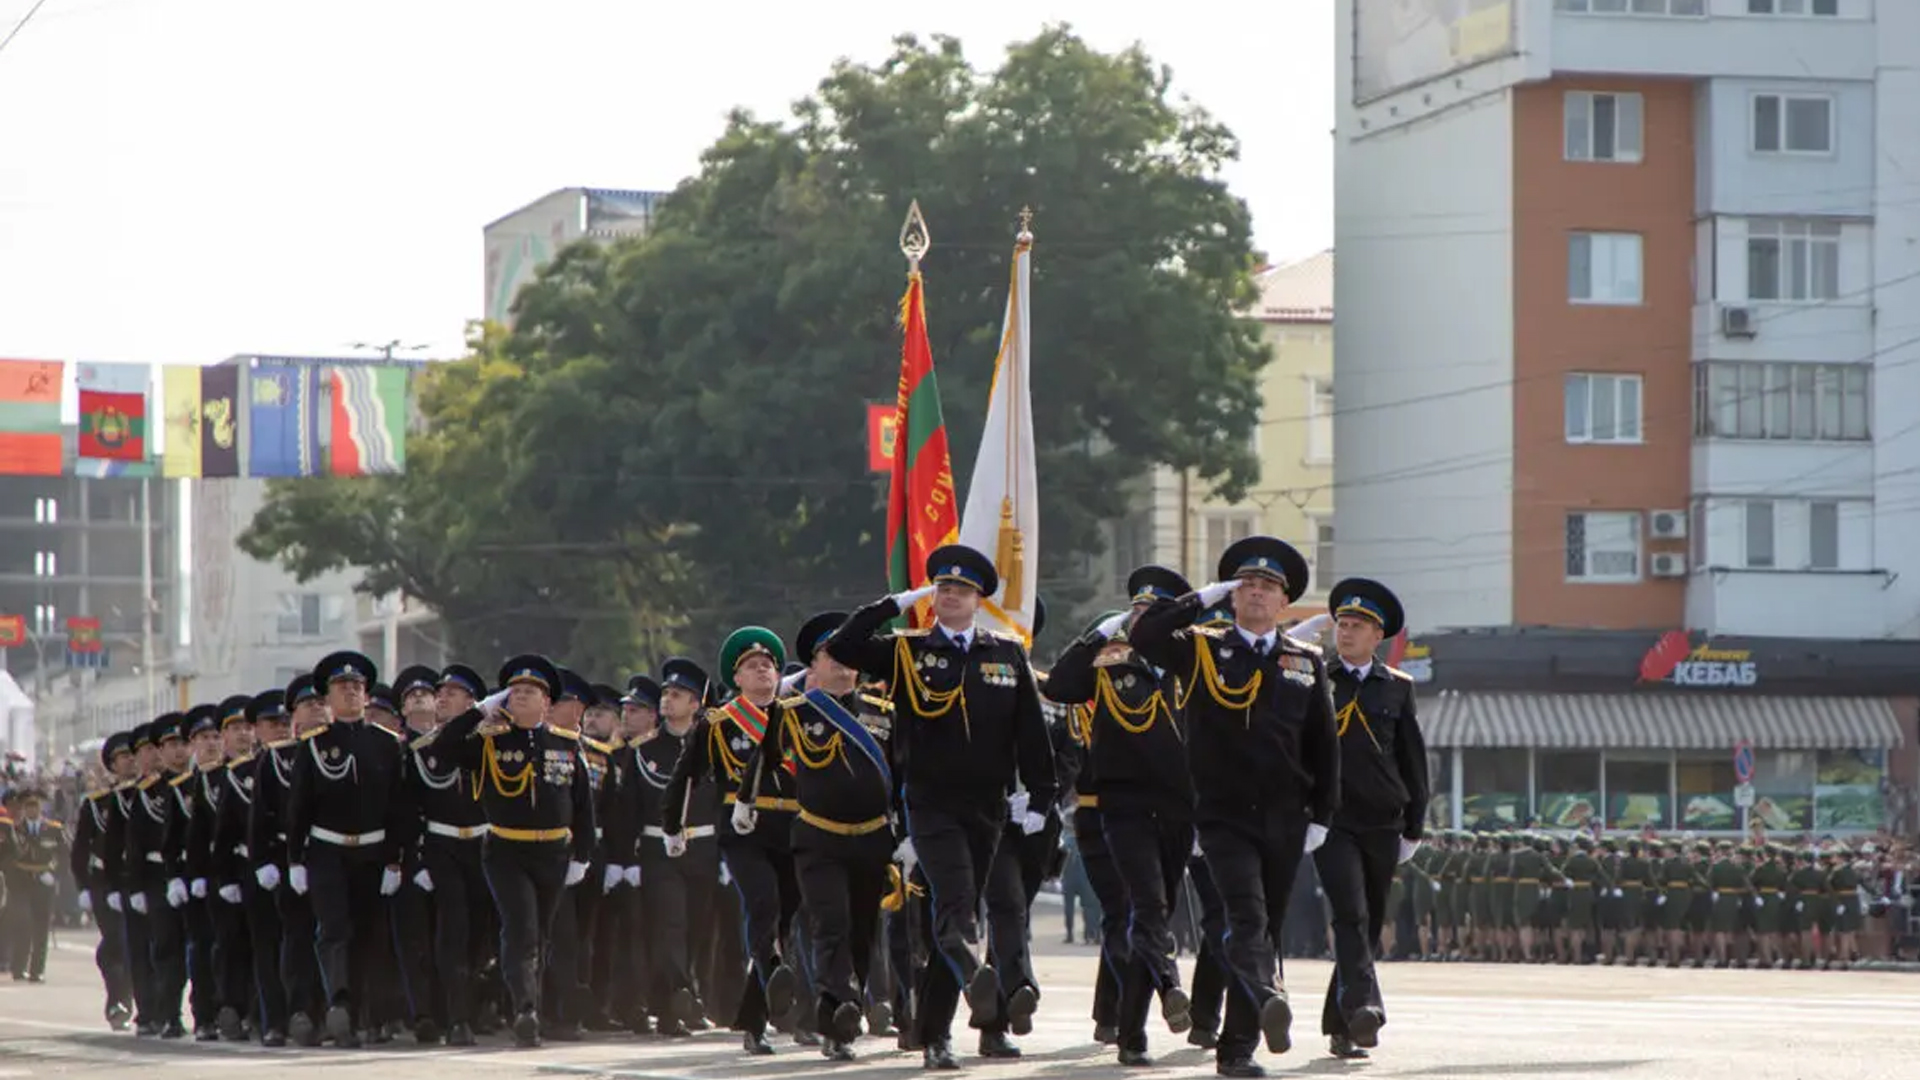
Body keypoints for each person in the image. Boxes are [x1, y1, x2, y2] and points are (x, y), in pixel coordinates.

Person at [823, 543, 1057, 1070]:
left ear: (978, 599)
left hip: (988, 806)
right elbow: (844, 644)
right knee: (955, 905)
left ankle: (934, 1036)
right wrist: (893, 602)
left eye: (961, 590)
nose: (951, 596)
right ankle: (977, 977)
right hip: (930, 805)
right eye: (942, 588)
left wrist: (1041, 794)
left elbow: (1030, 732)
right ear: (932, 598)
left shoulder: (1005, 652)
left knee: (954, 918)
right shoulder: (907, 650)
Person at [1127, 535, 1340, 1079]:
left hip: (1286, 815)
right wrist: (1201, 597)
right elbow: (1146, 634)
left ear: (1284, 603)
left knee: (1265, 926)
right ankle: (1269, 992)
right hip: (1223, 814)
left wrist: (1322, 814)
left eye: (1268, 587)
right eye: (1246, 585)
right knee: (1245, 916)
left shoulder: (1304, 661)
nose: (1256, 594)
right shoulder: (1200, 647)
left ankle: (1238, 1047)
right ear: (1232, 594)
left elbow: (1323, 744)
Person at [1048, 563, 1200, 1067]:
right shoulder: (1108, 665)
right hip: (1123, 807)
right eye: (1134, 609)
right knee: (1144, 907)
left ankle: (1131, 1027)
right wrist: (1097, 635)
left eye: (1151, 611)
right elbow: (1061, 686)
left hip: (1180, 809)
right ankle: (1164, 995)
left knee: (1148, 917)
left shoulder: (1193, 663)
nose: (1139, 618)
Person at [736, 610, 898, 1062]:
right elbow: (762, 761)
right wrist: (746, 807)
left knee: (865, 931)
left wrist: (904, 831)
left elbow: (902, 776)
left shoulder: (883, 714)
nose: (844, 666)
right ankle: (834, 1014)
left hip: (872, 837)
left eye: (850, 658)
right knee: (831, 925)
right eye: (833, 657)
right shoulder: (791, 714)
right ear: (814, 664)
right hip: (818, 838)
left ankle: (848, 1007)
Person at [432, 654, 597, 1047]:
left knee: (540, 936)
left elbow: (582, 805)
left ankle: (528, 1006)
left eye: (531, 692)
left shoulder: (566, 743)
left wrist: (583, 855)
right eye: (515, 691)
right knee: (522, 929)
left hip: (554, 853)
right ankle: (526, 1010)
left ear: (547, 703)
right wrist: (479, 711)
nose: (521, 696)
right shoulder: (490, 741)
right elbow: (444, 747)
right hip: (507, 850)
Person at [1296, 577, 1426, 1060]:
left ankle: (1341, 1023)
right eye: (1342, 624)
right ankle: (1366, 1007)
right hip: (1331, 820)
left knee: (1368, 922)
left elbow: (1413, 762)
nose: (1346, 633)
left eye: (1357, 626)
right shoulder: (1313, 680)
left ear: (1379, 636)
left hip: (1382, 819)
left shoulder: (1397, 688)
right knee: (1349, 912)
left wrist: (1415, 824)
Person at [667, 627, 804, 1055]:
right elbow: (684, 776)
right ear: (736, 680)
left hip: (794, 830)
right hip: (744, 832)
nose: (761, 669)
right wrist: (674, 825)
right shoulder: (719, 723)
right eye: (750, 665)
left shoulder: (798, 716)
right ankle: (773, 977)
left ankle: (753, 1020)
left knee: (784, 921)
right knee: (763, 905)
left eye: (768, 664)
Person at [285, 650, 413, 1048]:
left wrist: (395, 859)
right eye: (343, 689)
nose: (352, 694)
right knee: (334, 929)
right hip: (327, 850)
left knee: (367, 935)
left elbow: (399, 808)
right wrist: (294, 859)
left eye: (357, 688)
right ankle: (338, 1002)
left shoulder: (388, 744)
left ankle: (357, 1016)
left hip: (373, 853)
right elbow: (299, 807)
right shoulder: (314, 746)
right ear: (328, 699)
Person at [69, 730, 137, 1027]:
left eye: (134, 755)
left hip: (138, 880)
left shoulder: (148, 796)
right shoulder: (98, 804)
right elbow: (80, 849)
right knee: (116, 941)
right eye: (124, 757)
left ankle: (136, 997)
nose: (131, 762)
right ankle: (118, 999)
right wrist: (83, 886)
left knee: (135, 943)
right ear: (112, 764)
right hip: (104, 883)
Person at [5, 788, 67, 985]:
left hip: (44, 881)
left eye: (36, 805)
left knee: (41, 927)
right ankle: (18, 967)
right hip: (21, 882)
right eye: (28, 806)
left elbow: (64, 856)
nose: (32, 809)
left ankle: (37, 970)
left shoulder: (54, 829)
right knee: (23, 924)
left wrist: (54, 874)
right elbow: (6, 856)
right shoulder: (14, 829)